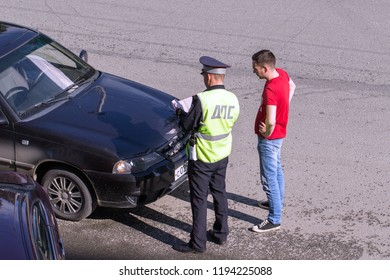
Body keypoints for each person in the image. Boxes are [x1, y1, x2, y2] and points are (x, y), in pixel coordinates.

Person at [172, 56, 240, 253]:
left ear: (209, 77)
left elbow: (186, 126)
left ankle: (198, 243)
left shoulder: (201, 99)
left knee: (199, 199)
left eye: (204, 75)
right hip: (222, 154)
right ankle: (220, 233)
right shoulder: (233, 99)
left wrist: (179, 113)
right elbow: (231, 122)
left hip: (202, 157)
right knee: (220, 192)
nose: (203, 78)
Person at [251, 50, 296, 233]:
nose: (254, 71)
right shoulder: (283, 74)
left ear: (265, 68)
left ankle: (274, 218)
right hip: (280, 134)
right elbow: (293, 86)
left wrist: (267, 132)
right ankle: (277, 202)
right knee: (277, 169)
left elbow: (270, 119)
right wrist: (284, 107)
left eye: (255, 68)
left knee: (269, 177)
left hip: (270, 139)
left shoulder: (270, 89)